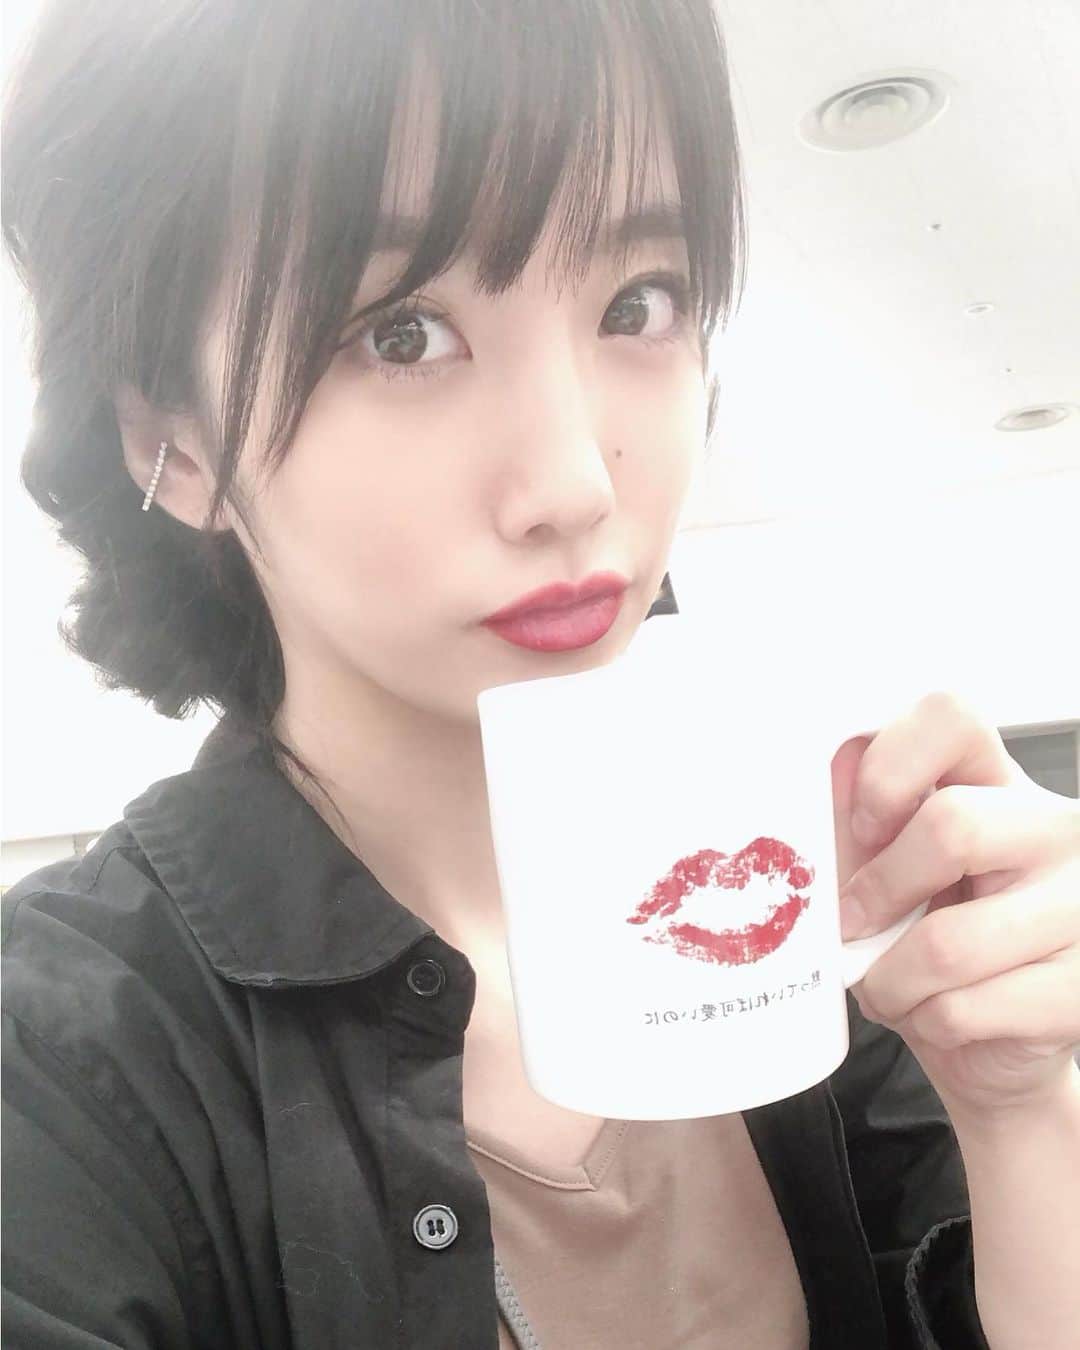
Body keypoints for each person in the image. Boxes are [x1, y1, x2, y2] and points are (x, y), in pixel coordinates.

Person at [3, 2, 1079, 1347]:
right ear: (172, 441)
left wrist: (1026, 1109)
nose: (576, 484)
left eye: (639, 302)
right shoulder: (64, 1064)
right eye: (402, 333)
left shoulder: (784, 915)